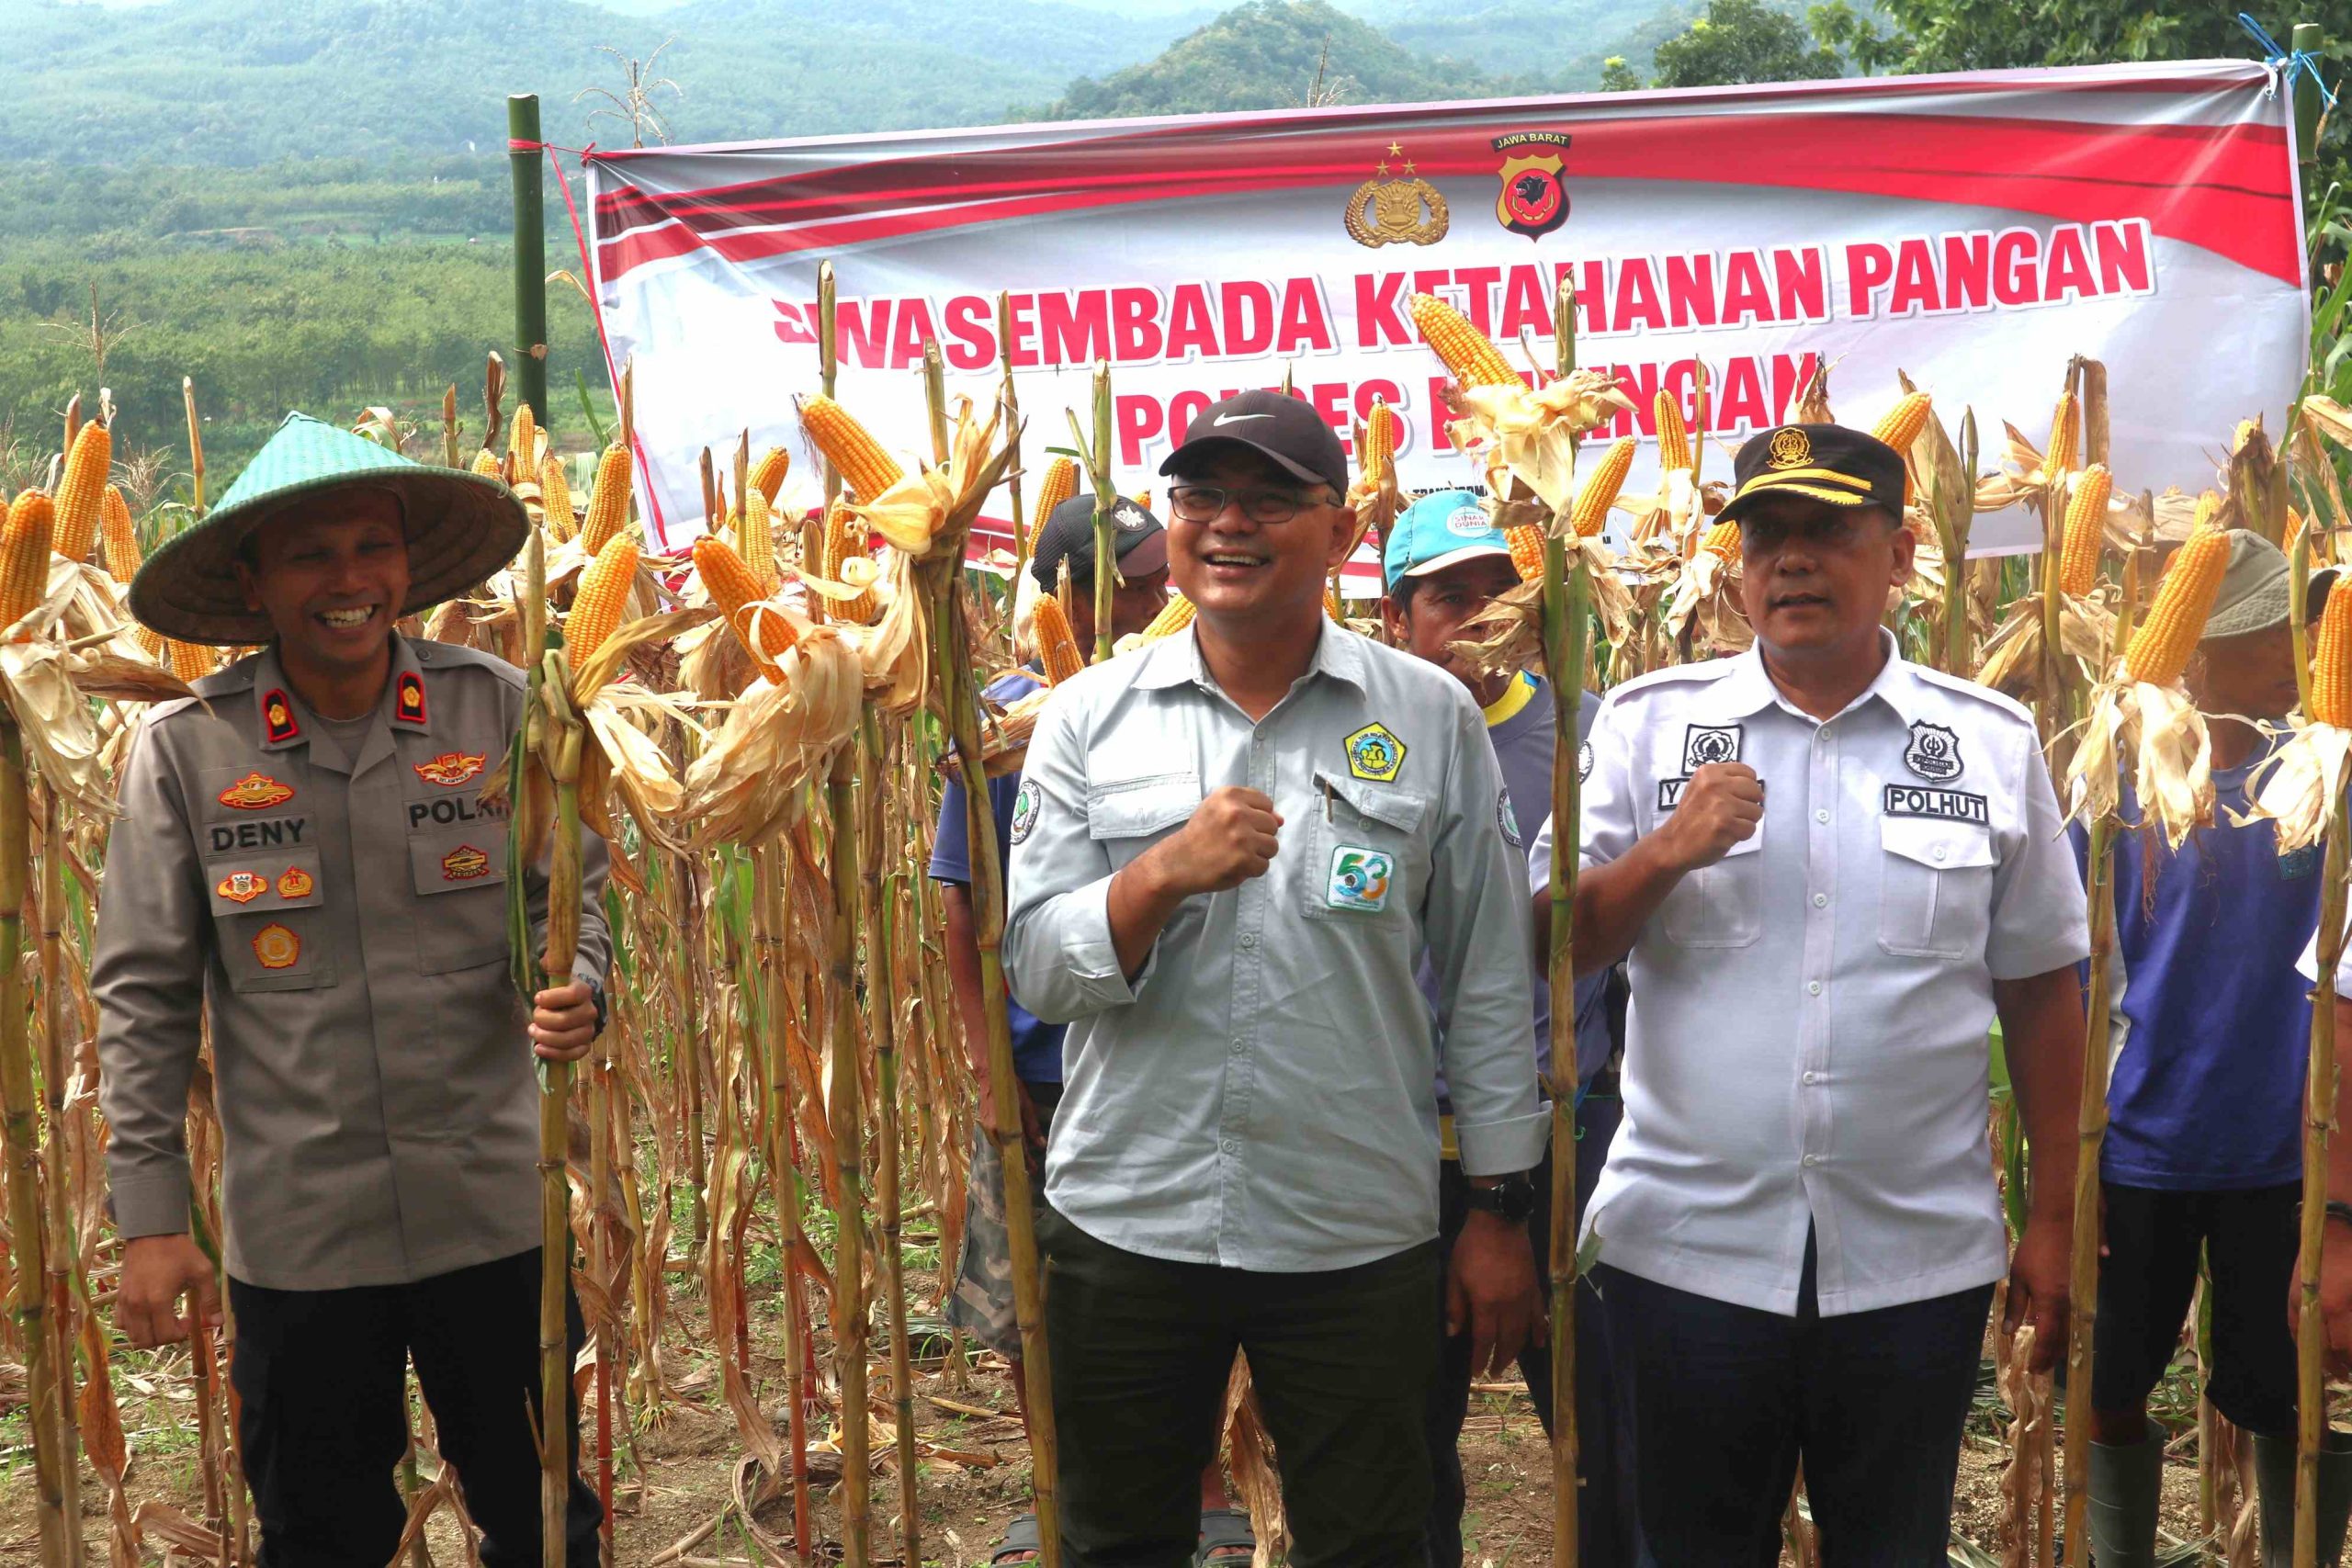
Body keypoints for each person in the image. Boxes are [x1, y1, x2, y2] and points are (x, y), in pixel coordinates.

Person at [1003, 389, 1548, 1567]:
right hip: (1130, 1215)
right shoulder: (1088, 718)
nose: (1227, 525)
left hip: (1351, 1228)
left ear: (1341, 529)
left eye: (1268, 501)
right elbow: (1040, 971)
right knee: (1112, 1537)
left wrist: (1502, 1208)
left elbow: (1491, 974)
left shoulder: (1430, 717)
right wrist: (1156, 877)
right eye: (1201, 497)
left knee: (1370, 1539)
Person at [1538, 422, 2089, 1562]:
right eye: (1766, 536)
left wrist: (2054, 1217)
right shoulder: (1647, 729)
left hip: (1912, 1262)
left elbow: (2039, 987)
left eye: (1827, 532)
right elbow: (1551, 947)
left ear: (1897, 557)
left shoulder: (1987, 742)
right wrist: (1664, 852)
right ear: (1736, 569)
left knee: (1893, 1548)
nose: (1790, 560)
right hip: (1684, 1251)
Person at [96, 412, 609, 1566]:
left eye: (372, 548)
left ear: (407, 568)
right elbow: (143, 995)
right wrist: (151, 1220)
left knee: (546, 1525)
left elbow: (567, 901)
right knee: (324, 1537)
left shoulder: (500, 711)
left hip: (494, 1213)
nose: (350, 581)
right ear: (255, 581)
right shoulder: (187, 751)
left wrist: (581, 985)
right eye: (311, 554)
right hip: (303, 1241)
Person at [930, 494, 1238, 1567]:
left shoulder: (1204, 702)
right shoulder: (1010, 719)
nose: (1158, 599)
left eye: (1163, 579)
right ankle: (1055, 1476)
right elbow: (962, 907)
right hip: (1040, 1066)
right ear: (1067, 593)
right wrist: (983, 1073)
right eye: (1135, 584)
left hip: (1164, 1053)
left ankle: (1200, 1479)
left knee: (1175, 1287)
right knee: (1030, 1290)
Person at [1378, 489, 1633, 1565]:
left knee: (1605, 1442)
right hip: (1388, 1145)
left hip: (1565, 1134)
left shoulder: (1587, 731)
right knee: (1395, 1457)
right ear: (1395, 618)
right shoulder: (1353, 732)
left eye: (1502, 595)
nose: (1481, 617)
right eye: (1449, 598)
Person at [2082, 534, 2343, 1565]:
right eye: (2266, 633)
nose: (2296, 649)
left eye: (2302, 628)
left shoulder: (2334, 786)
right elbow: (2071, 974)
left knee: (2287, 1402)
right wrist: (2067, 1172)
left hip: (2285, 1153)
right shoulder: (2114, 790)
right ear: (2193, 654)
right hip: (2134, 1147)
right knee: (2103, 1390)